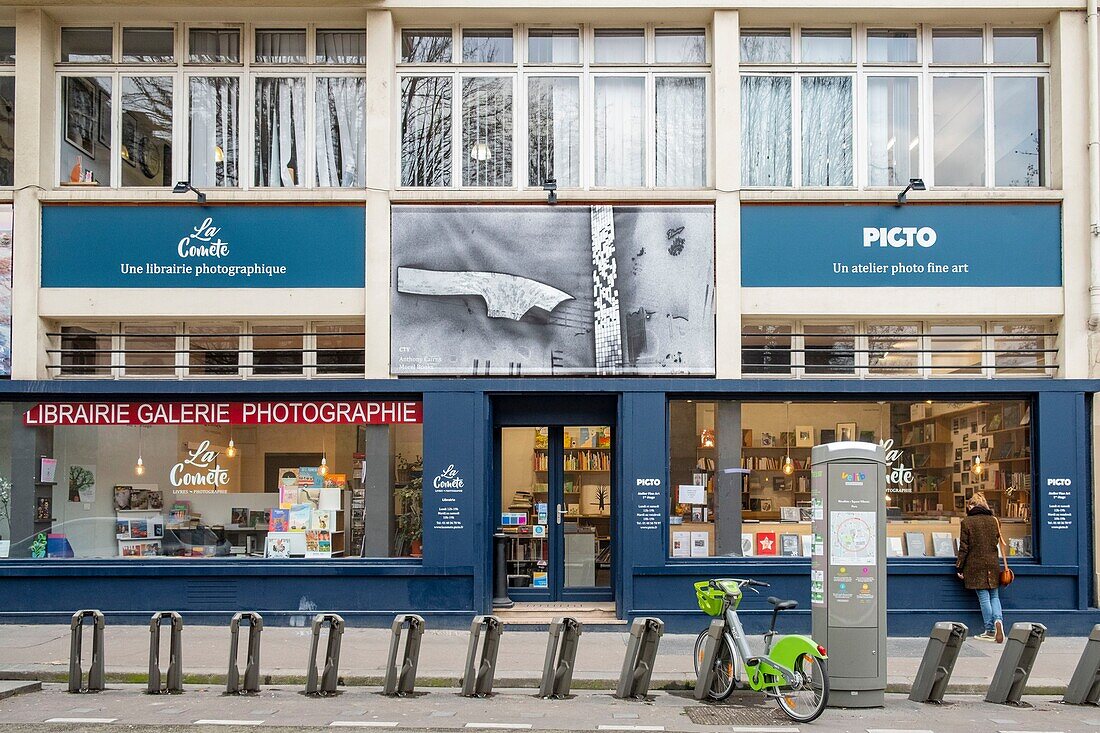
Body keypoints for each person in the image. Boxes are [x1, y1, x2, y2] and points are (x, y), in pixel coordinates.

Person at [955, 492, 1006, 642]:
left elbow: (964, 547)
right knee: (995, 596)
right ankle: (998, 621)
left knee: (984, 598)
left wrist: (959, 567)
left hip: (975, 564)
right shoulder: (994, 521)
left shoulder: (967, 522)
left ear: (972, 505)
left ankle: (990, 629)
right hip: (993, 563)